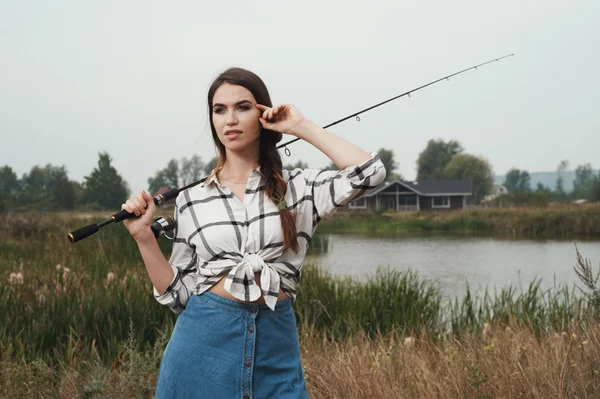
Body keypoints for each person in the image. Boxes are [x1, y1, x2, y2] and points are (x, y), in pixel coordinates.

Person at [122, 67, 387, 398]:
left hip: (275, 348)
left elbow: (370, 173)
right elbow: (178, 296)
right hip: (200, 349)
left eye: (242, 107)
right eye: (220, 110)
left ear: (263, 114)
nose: (230, 119)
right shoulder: (191, 199)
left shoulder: (300, 187)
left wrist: (300, 126)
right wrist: (144, 237)